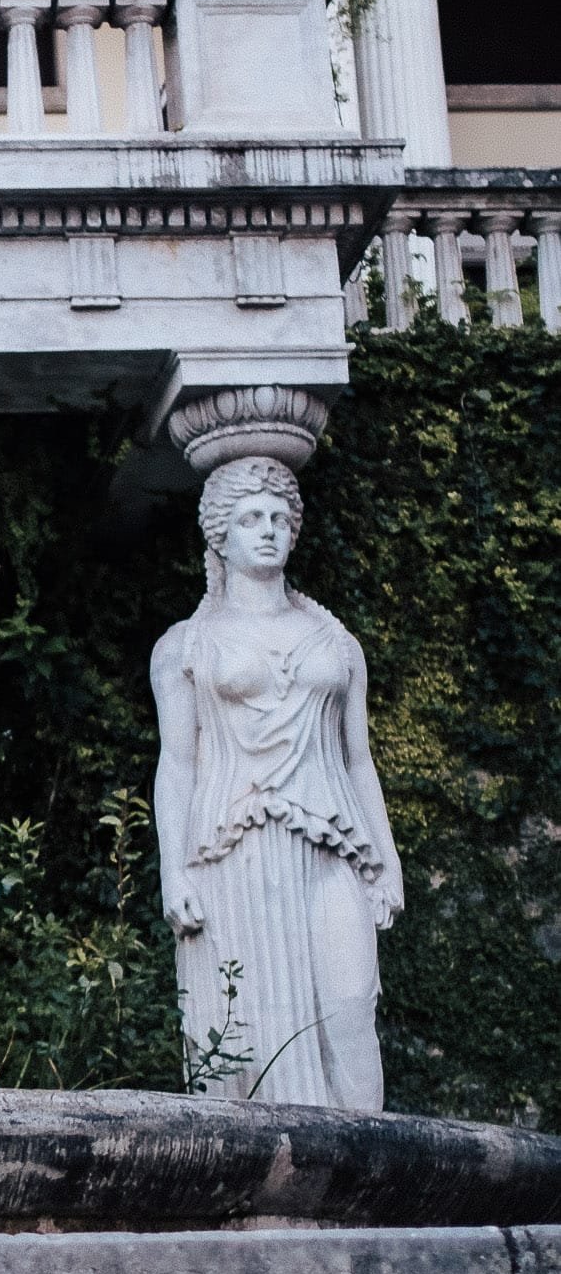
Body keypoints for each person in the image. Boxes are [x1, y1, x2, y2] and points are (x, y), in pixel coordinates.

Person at [151, 454, 402, 1110]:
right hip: (228, 854)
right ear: (220, 536)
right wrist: (171, 872)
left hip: (331, 849)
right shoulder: (184, 645)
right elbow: (175, 763)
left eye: (277, 517)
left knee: (349, 1009)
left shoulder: (336, 640)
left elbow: (358, 759)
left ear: (294, 531)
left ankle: (364, 1178)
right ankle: (252, 1189)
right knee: (245, 1020)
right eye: (248, 518)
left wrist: (388, 863)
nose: (266, 529)